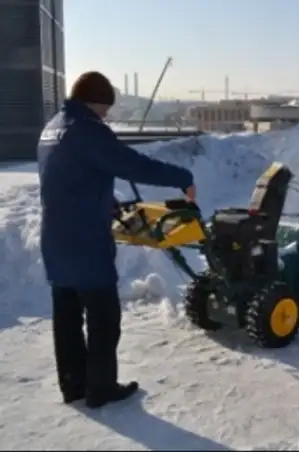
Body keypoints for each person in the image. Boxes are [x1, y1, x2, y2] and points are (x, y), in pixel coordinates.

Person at [37, 71, 197, 408]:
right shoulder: (88, 130)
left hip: (56, 238)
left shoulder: (53, 128)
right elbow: (133, 165)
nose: (106, 115)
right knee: (104, 317)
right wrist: (182, 177)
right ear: (95, 101)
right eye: (106, 109)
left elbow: (68, 177)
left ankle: (73, 385)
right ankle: (101, 388)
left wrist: (104, 201)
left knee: (66, 317)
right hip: (85, 243)